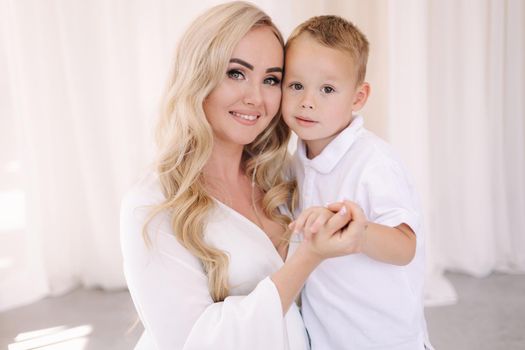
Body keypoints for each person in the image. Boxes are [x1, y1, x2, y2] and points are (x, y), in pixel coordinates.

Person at [120, 3, 365, 349]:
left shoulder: (281, 175)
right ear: (198, 75)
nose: (256, 98)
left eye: (271, 80)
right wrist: (309, 256)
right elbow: (194, 341)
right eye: (236, 73)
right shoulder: (151, 205)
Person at [282, 16, 434, 350]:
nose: (308, 100)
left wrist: (358, 229)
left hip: (383, 337)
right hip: (329, 333)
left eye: (327, 89)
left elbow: (405, 246)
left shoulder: (374, 163)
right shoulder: (299, 157)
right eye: (296, 85)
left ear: (358, 97)